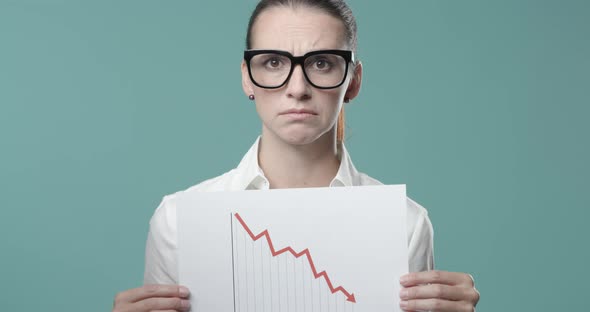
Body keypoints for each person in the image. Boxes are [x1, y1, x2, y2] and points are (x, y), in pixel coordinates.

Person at [112, 0, 480, 311]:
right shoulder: (178, 220)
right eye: (273, 62)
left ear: (353, 80)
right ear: (247, 77)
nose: (298, 88)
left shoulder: (406, 223)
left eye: (322, 63)